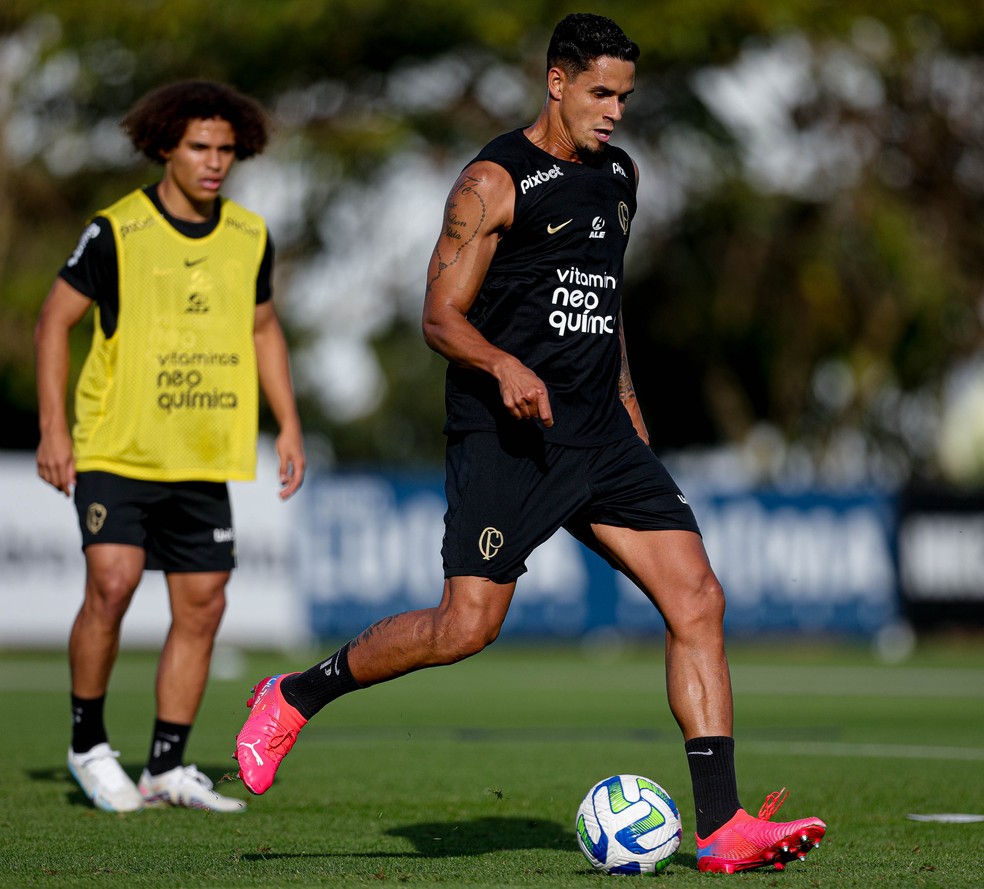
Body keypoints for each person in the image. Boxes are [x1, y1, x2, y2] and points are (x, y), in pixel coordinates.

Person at [234, 13, 825, 873]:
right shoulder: (492, 181)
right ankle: (294, 693)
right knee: (465, 626)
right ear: (557, 82)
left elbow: (605, 306)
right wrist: (503, 364)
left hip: (600, 434)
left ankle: (722, 824)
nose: (615, 111)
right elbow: (439, 317)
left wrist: (629, 408)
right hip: (507, 437)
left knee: (698, 599)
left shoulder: (620, 177)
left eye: (625, 96)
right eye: (600, 93)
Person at [35, 80, 306, 814]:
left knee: (204, 603)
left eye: (226, 149)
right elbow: (54, 320)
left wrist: (287, 420)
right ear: (164, 148)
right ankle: (89, 745)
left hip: (203, 452)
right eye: (199, 147)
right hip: (117, 447)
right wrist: (54, 428)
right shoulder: (116, 230)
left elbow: (263, 328)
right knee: (113, 582)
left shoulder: (248, 235)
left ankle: (165, 765)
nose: (214, 162)